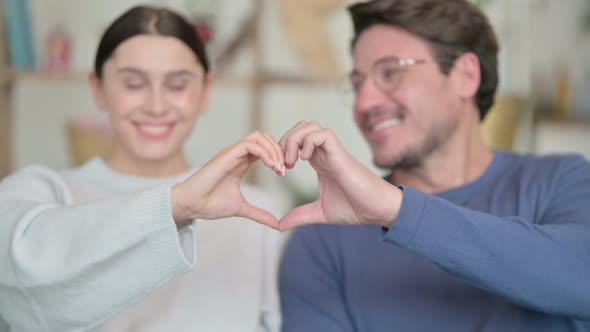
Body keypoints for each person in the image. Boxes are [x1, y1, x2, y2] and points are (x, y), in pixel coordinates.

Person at [277, 0, 590, 331]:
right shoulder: (323, 240)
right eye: (357, 84)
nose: (364, 102)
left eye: (391, 72)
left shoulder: (560, 181)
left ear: (465, 76)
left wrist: (397, 209)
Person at [0, 6, 288, 332]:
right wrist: (175, 205)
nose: (156, 106)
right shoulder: (38, 193)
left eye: (177, 86)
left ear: (206, 91)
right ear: (98, 88)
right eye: (134, 84)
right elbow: (19, 281)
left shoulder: (255, 214)